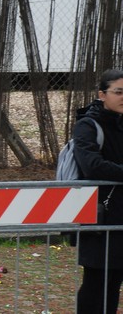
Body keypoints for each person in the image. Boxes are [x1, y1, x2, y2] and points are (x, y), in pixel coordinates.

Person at [74, 69, 123, 314]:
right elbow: (91, 165)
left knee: (114, 283)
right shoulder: (87, 125)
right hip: (99, 215)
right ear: (102, 94)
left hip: (120, 218)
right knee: (96, 282)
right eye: (119, 92)